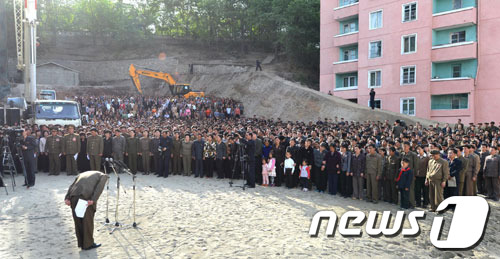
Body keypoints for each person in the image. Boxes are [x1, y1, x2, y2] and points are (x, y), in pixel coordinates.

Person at [64, 171, 109, 250]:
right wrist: (93, 200)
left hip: (73, 196)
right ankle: (88, 244)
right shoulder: (103, 176)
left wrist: (67, 198)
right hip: (85, 198)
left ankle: (81, 243)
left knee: (78, 222)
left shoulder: (81, 174)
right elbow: (99, 188)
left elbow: (72, 186)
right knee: (87, 222)